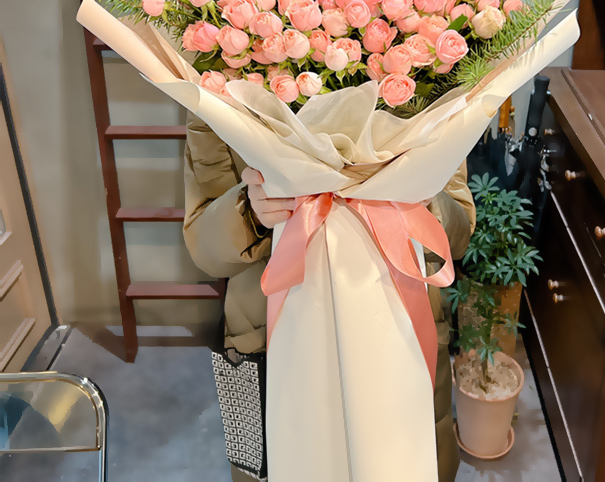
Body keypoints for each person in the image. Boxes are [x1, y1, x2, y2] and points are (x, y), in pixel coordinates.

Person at [183, 111, 476, 482]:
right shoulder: (218, 90)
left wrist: (423, 203)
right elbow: (204, 250)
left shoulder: (429, 87)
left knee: (401, 461)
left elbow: (459, 234)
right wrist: (249, 212)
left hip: (399, 331)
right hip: (264, 339)